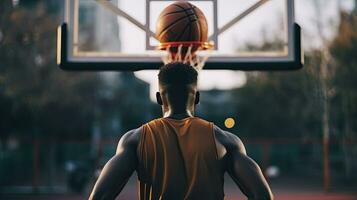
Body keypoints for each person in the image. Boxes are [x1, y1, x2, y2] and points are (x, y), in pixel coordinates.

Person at [89, 62, 273, 200]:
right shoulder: (225, 140)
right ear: (197, 97)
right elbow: (262, 196)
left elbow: (100, 196)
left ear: (159, 98)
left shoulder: (135, 139)